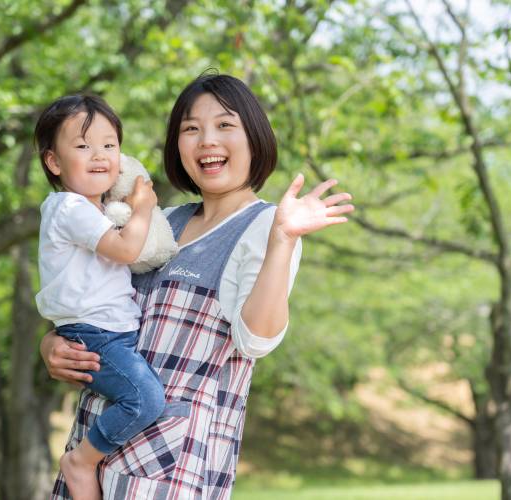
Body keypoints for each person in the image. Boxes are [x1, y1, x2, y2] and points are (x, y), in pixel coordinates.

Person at [41, 73, 354, 499]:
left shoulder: (265, 226)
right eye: (191, 128)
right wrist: (52, 344)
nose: (207, 140)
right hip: (92, 455)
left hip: (170, 470)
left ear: (255, 138)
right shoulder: (159, 221)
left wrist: (283, 240)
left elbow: (257, 338)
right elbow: (93, 301)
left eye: (225, 125)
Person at [34, 94, 167, 500]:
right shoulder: (68, 207)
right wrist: (143, 209)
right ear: (54, 162)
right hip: (96, 335)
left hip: (107, 332)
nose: (99, 155)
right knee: (145, 399)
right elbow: (126, 250)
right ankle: (83, 460)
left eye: (109, 145)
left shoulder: (98, 211)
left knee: (139, 397)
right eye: (83, 145)